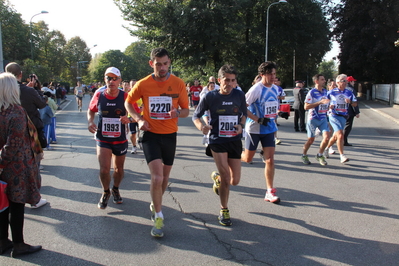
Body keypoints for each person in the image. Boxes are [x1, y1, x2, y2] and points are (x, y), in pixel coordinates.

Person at [125, 48, 189, 237]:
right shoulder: (144, 84)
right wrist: (138, 119)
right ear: (151, 63)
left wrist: (177, 112)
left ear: (169, 62)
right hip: (150, 134)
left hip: (170, 134)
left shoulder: (178, 83)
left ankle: (155, 202)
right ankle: (159, 216)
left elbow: (186, 110)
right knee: (157, 177)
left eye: (165, 63)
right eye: (158, 63)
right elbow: (128, 102)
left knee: (165, 178)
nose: (162, 68)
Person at [193, 65, 246, 226]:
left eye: (232, 80)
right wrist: (202, 127)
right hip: (217, 140)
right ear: (219, 80)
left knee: (235, 180)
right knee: (226, 177)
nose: (229, 84)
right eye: (226, 80)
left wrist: (241, 126)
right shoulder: (210, 96)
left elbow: (243, 114)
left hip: (234, 140)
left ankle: (216, 178)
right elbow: (196, 115)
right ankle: (224, 209)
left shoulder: (239, 94)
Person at [0, 72, 43, 257]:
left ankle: (2, 241)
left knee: (2, 205)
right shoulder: (15, 111)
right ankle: (19, 244)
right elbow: (14, 144)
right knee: (17, 205)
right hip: (16, 166)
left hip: (4, 166)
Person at [5, 62, 47, 208]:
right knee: (33, 164)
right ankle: (34, 197)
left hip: (9, 134)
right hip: (30, 131)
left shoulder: (7, 97)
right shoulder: (25, 96)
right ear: (20, 74)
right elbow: (42, 104)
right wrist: (36, 89)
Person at [87, 67, 130, 209]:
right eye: (108, 78)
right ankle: (106, 192)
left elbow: (137, 113)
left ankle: (116, 189)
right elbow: (91, 110)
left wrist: (128, 118)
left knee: (118, 169)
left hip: (120, 139)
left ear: (120, 81)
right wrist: (90, 121)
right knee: (104, 169)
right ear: (104, 79)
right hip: (103, 138)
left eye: (114, 78)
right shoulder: (99, 94)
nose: (111, 81)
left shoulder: (125, 96)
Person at [241, 62, 281, 204]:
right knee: (247, 159)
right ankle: (233, 156)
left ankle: (269, 191)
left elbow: (271, 106)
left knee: (270, 159)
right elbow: (243, 107)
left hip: (269, 129)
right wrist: (257, 119)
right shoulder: (256, 89)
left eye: (274, 74)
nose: (273, 76)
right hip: (254, 129)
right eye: (270, 74)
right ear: (262, 75)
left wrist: (278, 113)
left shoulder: (276, 89)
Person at [325, 74, 358, 163]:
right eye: (343, 81)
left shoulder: (349, 92)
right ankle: (342, 155)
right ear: (338, 82)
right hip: (333, 115)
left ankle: (327, 148)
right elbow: (323, 103)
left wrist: (350, 102)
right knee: (340, 135)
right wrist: (329, 106)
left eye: (346, 81)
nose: (345, 82)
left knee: (336, 136)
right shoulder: (331, 92)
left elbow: (355, 104)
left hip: (343, 116)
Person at [301, 74, 330, 166]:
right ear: (316, 81)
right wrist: (319, 102)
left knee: (327, 138)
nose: (324, 81)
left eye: (324, 79)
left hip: (323, 118)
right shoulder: (312, 92)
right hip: (313, 119)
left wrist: (330, 106)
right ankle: (304, 155)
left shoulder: (325, 91)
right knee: (311, 140)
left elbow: (326, 104)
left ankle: (319, 155)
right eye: (322, 79)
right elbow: (306, 106)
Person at [343, 76, 360, 146]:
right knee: (348, 126)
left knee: (342, 126)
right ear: (350, 82)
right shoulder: (352, 90)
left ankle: (342, 139)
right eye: (353, 81)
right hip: (349, 111)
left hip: (341, 110)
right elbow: (354, 102)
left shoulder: (342, 89)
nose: (354, 82)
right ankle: (343, 140)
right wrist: (357, 112)